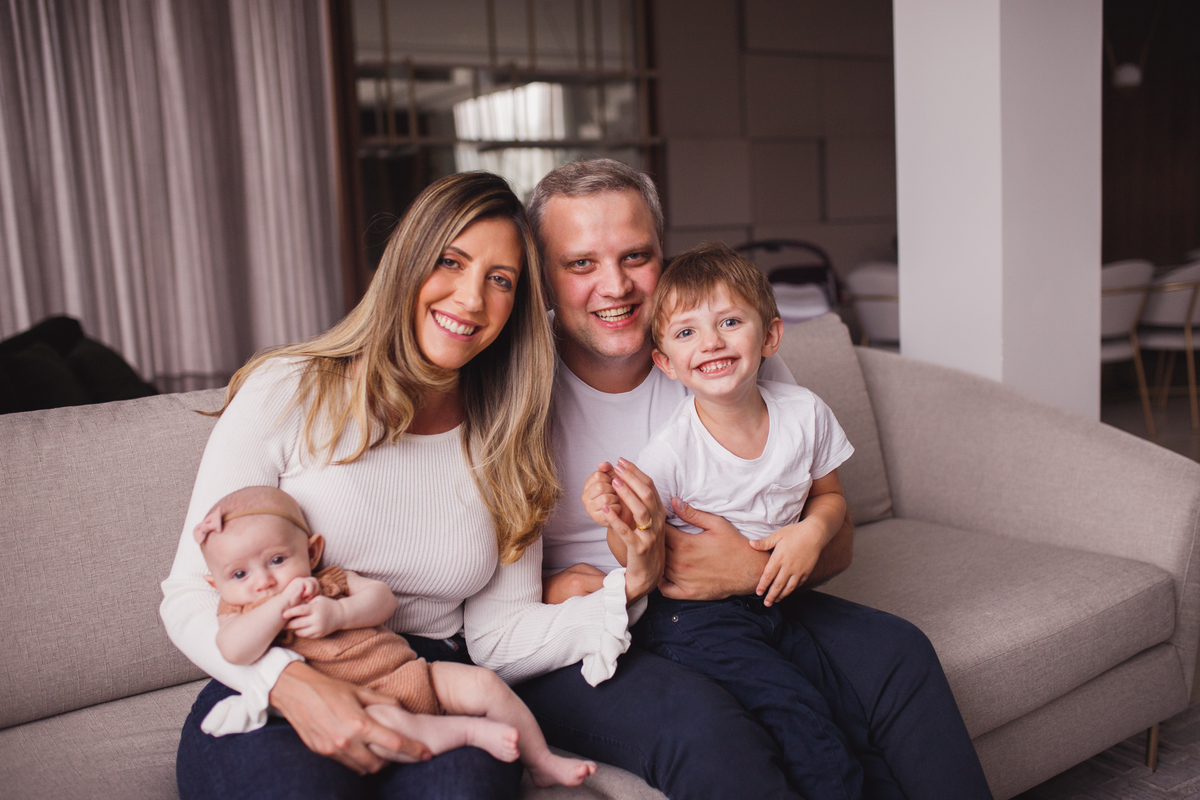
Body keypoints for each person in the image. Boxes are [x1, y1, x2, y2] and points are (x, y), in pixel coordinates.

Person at [162, 172, 663, 800]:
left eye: (500, 280)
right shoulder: (291, 388)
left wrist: (630, 586)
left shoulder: (506, 439)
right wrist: (291, 683)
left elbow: (501, 633)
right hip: (278, 670)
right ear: (406, 262)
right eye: (450, 262)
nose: (471, 299)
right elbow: (187, 592)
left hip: (427, 680)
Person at [514, 158, 994, 800]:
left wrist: (747, 570)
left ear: (664, 254)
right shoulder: (513, 388)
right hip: (589, 633)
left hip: (743, 603)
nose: (615, 286)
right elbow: (483, 588)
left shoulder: (727, 360)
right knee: (714, 727)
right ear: (543, 277)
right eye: (580, 264)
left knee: (899, 654)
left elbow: (837, 531)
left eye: (635, 256)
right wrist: (585, 585)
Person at [589, 242, 901, 799]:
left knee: (845, 707)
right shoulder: (673, 451)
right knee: (801, 717)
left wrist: (813, 531)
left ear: (771, 337)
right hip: (695, 620)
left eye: (729, 321)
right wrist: (622, 520)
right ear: (665, 363)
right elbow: (632, 551)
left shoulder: (804, 414)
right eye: (686, 332)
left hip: (773, 603)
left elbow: (829, 496)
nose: (710, 341)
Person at [195, 485, 596, 787]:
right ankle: (469, 732)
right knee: (386, 731)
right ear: (216, 583)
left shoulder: (327, 582)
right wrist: (274, 610)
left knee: (484, 684)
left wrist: (339, 613)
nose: (264, 581)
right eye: (240, 575)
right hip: (358, 701)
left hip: (411, 671)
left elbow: (382, 600)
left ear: (312, 552)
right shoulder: (239, 612)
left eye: (278, 560)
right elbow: (234, 650)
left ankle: (541, 761)